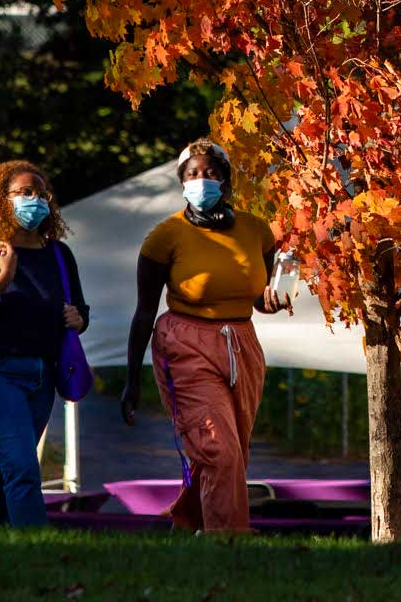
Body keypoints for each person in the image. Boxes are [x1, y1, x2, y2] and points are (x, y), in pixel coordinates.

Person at [120, 138, 291, 533]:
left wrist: (272, 302)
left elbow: (258, 298)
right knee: (219, 448)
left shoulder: (256, 231)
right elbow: (144, 310)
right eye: (193, 174)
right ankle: (228, 539)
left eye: (211, 173)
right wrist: (132, 380)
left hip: (241, 343)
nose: (202, 181)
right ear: (181, 182)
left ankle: (187, 523)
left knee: (233, 449)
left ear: (226, 182)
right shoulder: (165, 237)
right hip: (185, 342)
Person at [0, 160, 87, 528]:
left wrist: (79, 319)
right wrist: (0, 282)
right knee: (23, 469)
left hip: (41, 376)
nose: (35, 201)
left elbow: (77, 308)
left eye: (41, 194)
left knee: (2, 472)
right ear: (0, 200)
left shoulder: (58, 255)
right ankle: (37, 548)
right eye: (24, 193)